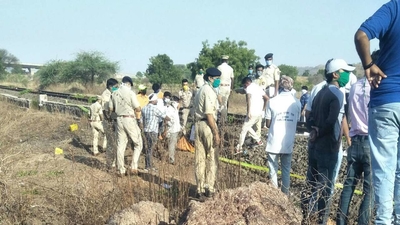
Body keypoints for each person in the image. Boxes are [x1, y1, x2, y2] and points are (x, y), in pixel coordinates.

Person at [355, 1, 400, 223]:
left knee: (385, 170)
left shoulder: (394, 8)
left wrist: (368, 64)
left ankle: (384, 222)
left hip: (386, 100)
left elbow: (361, 35)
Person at [305, 59, 355, 224]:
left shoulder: (320, 92)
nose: (347, 75)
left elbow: (309, 118)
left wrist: (314, 131)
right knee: (325, 189)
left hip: (315, 146)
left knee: (312, 184)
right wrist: (321, 131)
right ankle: (322, 220)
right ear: (335, 74)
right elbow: (332, 120)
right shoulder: (337, 94)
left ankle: (305, 217)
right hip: (328, 147)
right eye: (344, 72)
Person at [336, 76, 372, 225]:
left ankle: (340, 221)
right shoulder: (377, 86)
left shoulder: (355, 86)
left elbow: (347, 113)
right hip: (370, 141)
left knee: (348, 186)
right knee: (369, 190)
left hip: (355, 139)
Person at [265, 75, 301, 195]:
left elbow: (268, 123)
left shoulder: (272, 101)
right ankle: (285, 195)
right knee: (286, 170)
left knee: (273, 170)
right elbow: (297, 120)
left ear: (280, 86)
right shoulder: (297, 103)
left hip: (274, 141)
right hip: (288, 142)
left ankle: (274, 194)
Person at [193, 67, 221, 200]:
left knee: (199, 158)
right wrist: (216, 132)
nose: (218, 81)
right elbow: (209, 114)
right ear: (210, 78)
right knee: (212, 158)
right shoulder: (208, 91)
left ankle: (199, 188)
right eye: (217, 79)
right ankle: (209, 188)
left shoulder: (199, 90)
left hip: (197, 124)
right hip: (207, 125)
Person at [108, 76, 143, 176]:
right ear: (128, 84)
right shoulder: (130, 93)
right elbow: (138, 108)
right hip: (129, 119)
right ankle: (134, 167)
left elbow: (111, 109)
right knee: (138, 143)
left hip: (119, 120)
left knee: (121, 144)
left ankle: (121, 169)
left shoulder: (114, 93)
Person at [235, 77, 268, 154]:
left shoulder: (249, 88)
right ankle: (258, 141)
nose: (244, 87)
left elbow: (248, 99)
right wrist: (263, 109)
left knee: (243, 130)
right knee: (247, 126)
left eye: (244, 85)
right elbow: (267, 98)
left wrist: (248, 111)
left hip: (252, 112)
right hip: (259, 113)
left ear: (246, 83)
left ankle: (239, 148)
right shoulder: (258, 87)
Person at [141, 93, 170, 171]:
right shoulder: (155, 109)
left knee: (148, 148)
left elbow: (141, 120)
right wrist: (170, 119)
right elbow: (164, 116)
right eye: (156, 99)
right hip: (153, 131)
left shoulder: (144, 108)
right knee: (151, 149)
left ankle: (147, 165)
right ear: (153, 100)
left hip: (146, 131)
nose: (157, 101)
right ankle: (149, 167)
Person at [101, 78, 119, 170]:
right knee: (111, 143)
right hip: (109, 122)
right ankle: (109, 164)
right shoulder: (106, 95)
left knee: (114, 143)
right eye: (116, 87)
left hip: (113, 121)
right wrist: (112, 121)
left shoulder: (112, 94)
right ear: (110, 86)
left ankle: (113, 163)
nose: (117, 88)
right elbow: (106, 111)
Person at [217, 55, 234, 124]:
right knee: (225, 103)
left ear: (222, 60)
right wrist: (231, 88)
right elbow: (232, 79)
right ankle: (224, 119)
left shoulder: (219, 67)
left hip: (221, 87)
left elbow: (217, 77)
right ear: (227, 60)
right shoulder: (230, 68)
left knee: (219, 103)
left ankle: (219, 119)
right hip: (227, 87)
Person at [165, 98, 181, 165]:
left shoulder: (174, 108)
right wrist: (169, 126)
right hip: (172, 129)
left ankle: (171, 157)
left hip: (176, 129)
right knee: (171, 145)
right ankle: (171, 159)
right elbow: (167, 119)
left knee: (172, 144)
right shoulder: (170, 109)